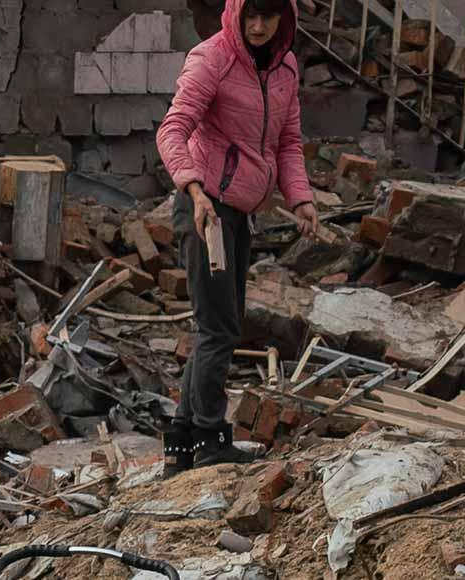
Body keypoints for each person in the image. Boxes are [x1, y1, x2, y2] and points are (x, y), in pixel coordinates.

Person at [157, 0, 318, 477]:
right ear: (237, 11)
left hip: (238, 212)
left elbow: (287, 142)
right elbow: (173, 129)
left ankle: (182, 448)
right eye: (251, 15)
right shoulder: (213, 58)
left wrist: (300, 198)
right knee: (218, 328)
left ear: (283, 18)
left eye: (269, 16)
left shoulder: (285, 66)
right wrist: (193, 187)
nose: (259, 26)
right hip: (205, 208)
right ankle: (210, 440)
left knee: (220, 325)